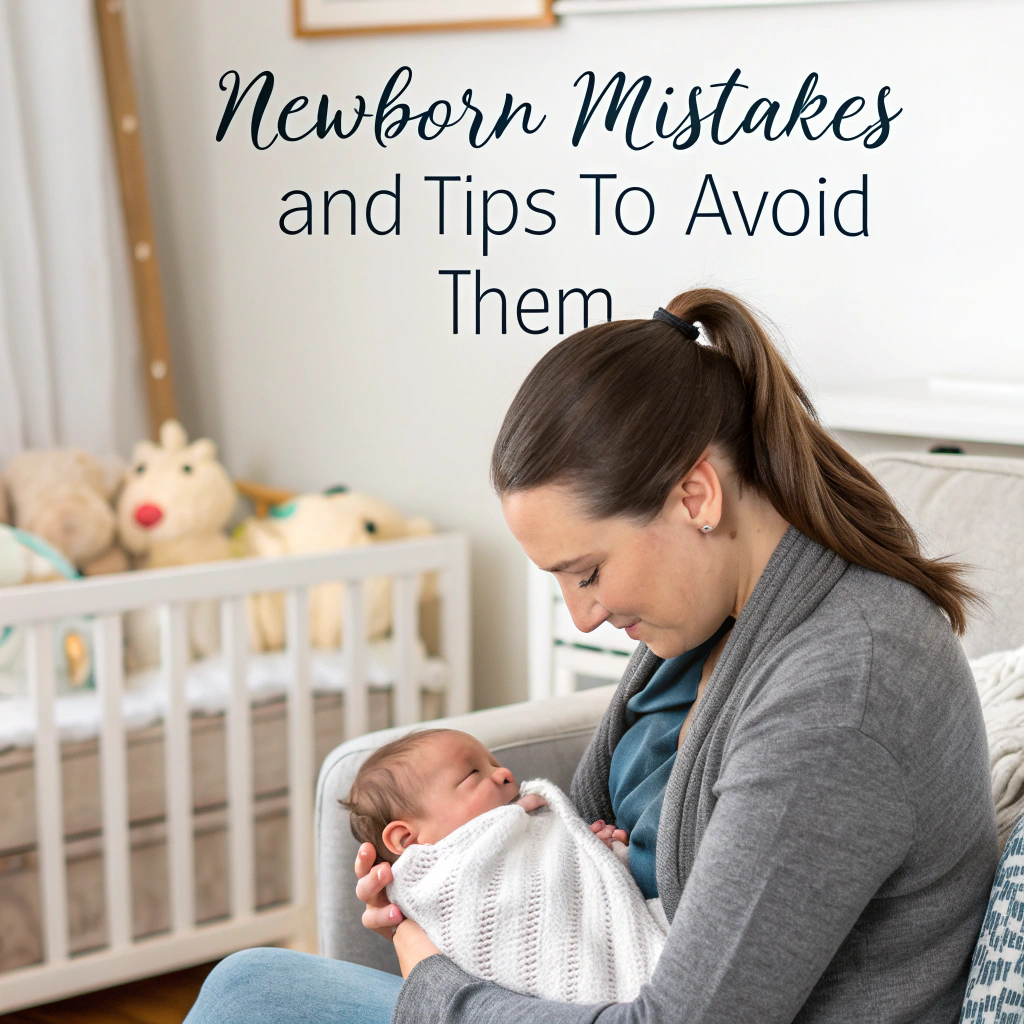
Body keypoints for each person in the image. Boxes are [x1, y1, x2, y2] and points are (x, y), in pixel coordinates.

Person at [185, 288, 997, 1024]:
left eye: (589, 571)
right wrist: (460, 886)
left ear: (695, 496)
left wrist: (429, 978)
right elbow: (573, 855)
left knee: (251, 994)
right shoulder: (707, 628)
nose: (583, 615)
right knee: (252, 986)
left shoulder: (845, 686)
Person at [340, 728, 664, 1003]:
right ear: (406, 839)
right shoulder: (441, 882)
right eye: (473, 774)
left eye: (494, 763)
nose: (505, 773)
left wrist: (586, 854)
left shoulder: (522, 823)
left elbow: (560, 887)